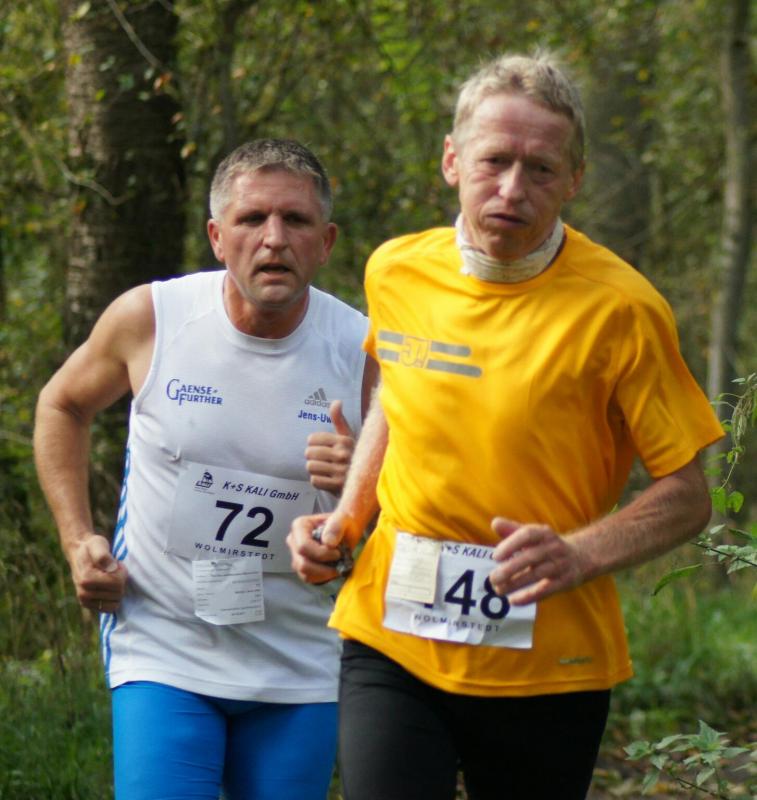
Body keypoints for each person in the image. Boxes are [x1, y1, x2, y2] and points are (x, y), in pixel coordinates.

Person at [287, 53, 724, 800]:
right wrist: (348, 519)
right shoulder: (395, 270)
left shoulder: (624, 309)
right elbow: (396, 392)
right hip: (393, 635)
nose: (512, 189)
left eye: (540, 169)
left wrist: (578, 554)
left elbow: (687, 497)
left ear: (573, 180)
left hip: (547, 661)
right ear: (452, 161)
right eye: (494, 161)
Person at [34, 138, 378, 800]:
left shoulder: (361, 348)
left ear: (326, 241)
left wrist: (359, 487)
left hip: (300, 658)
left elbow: (403, 500)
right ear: (217, 237)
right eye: (251, 219)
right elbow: (62, 405)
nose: (273, 239)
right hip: (164, 645)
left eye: (295, 220)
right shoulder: (152, 318)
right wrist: (77, 540)